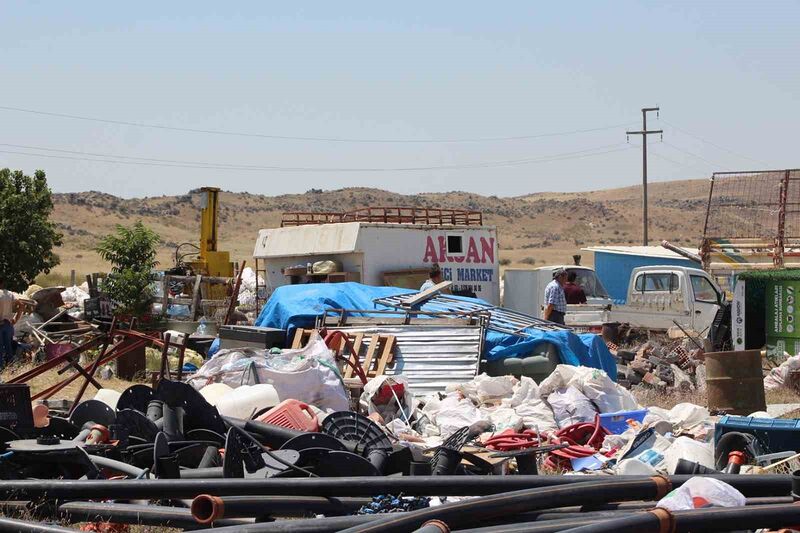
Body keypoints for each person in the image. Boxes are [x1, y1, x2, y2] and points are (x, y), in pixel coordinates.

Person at [0, 278, 19, 368]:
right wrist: (15, 319)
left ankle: (1, 369)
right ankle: (10, 367)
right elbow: (21, 305)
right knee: (8, 347)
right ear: (3, 283)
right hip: (8, 324)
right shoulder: (10, 294)